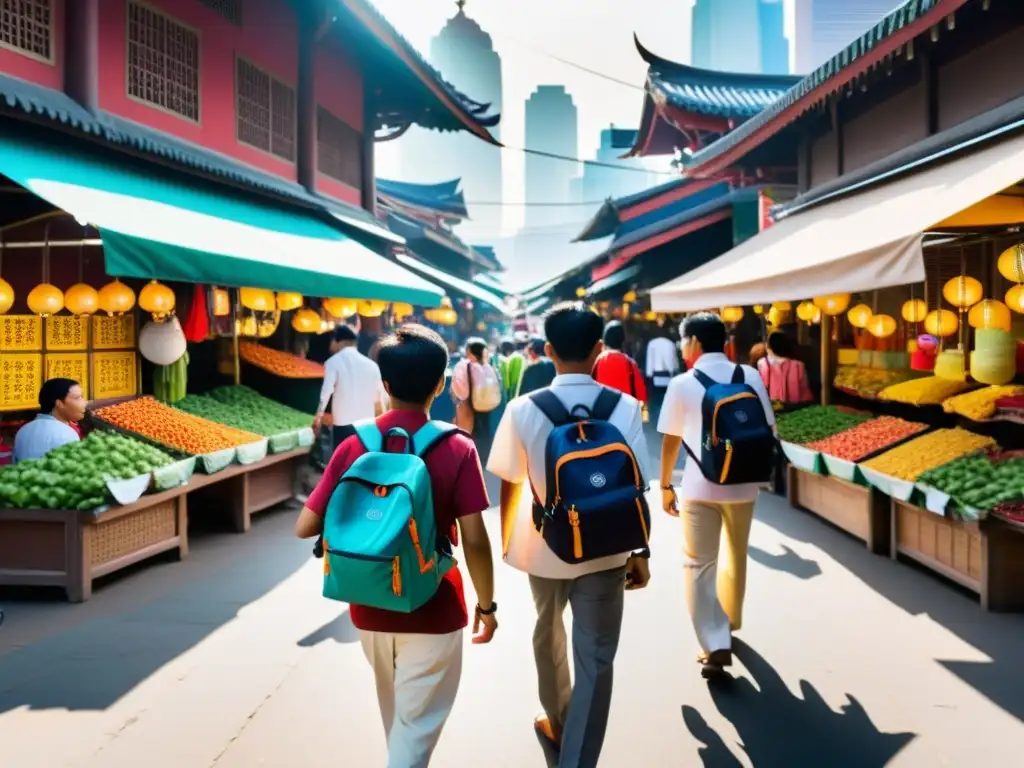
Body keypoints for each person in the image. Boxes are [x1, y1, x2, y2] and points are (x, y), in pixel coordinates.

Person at [295, 324, 497, 767]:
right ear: (441, 385)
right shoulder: (457, 448)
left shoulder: (354, 445)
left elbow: (304, 526)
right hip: (434, 606)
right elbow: (477, 540)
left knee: (400, 728)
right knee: (414, 732)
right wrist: (487, 605)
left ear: (384, 385)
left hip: (369, 605)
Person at [488, 302, 652, 768]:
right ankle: (579, 758)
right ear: (600, 350)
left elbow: (511, 480)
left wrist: (507, 544)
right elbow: (637, 481)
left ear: (547, 350)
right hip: (607, 547)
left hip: (544, 546)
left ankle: (558, 719)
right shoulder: (624, 406)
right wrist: (641, 550)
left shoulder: (523, 408)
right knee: (596, 658)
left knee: (547, 632)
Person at [657, 312, 775, 679]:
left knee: (699, 563)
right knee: (736, 554)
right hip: (745, 483)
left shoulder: (682, 383)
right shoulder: (750, 376)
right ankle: (732, 621)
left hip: (700, 485)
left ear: (692, 343)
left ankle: (715, 642)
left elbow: (671, 440)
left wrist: (664, 486)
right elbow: (769, 427)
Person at [313, 325, 385, 450]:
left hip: (342, 423)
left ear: (336, 341)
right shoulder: (372, 366)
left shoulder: (333, 362)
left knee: (343, 459)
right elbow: (378, 400)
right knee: (361, 458)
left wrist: (318, 417)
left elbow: (325, 393)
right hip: (367, 424)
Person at [451, 337, 501, 464]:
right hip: (488, 405)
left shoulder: (464, 366)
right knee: (485, 431)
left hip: (470, 406)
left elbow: (461, 391)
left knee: (470, 432)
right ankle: (485, 459)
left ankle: (472, 459)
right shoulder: (488, 367)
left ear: (468, 350)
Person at [13, 378, 86, 463]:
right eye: (77, 398)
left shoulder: (23, 430)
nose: (84, 402)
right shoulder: (66, 434)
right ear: (59, 403)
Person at [593, 320, 648, 405]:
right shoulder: (630, 364)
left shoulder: (596, 363)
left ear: (605, 340)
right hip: (626, 414)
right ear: (622, 340)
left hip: (601, 415)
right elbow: (641, 396)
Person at [757, 330, 814, 405]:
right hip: (794, 410)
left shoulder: (762, 363)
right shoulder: (798, 366)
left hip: (770, 409)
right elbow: (805, 395)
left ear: (769, 347)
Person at [644, 326, 680, 419]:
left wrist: (649, 376)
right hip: (669, 378)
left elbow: (649, 363)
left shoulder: (652, 344)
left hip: (656, 378)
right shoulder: (670, 343)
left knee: (656, 404)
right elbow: (674, 363)